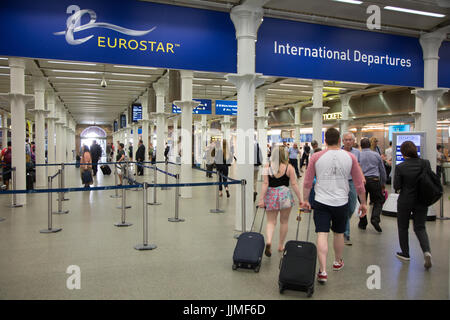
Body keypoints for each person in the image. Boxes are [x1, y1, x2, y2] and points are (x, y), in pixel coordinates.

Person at [301, 128, 367, 284]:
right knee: (338, 233)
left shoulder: (316, 157)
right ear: (339, 141)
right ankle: (337, 262)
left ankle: (323, 271)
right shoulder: (350, 157)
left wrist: (305, 200)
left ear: (325, 141)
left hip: (321, 201)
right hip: (341, 202)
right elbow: (359, 184)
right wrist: (363, 202)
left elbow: (308, 182)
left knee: (322, 234)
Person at [258, 145, 302, 257]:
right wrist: (301, 199)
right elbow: (294, 184)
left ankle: (268, 241)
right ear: (284, 155)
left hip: (271, 195)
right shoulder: (289, 167)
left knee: (270, 222)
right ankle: (281, 245)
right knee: (284, 221)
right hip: (285, 196)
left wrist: (261, 199)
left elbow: (265, 183)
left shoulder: (266, 166)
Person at [394, 141, 433, 269]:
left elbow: (397, 186)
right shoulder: (425, 163)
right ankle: (426, 251)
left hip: (405, 200)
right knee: (420, 227)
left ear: (403, 153)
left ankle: (405, 253)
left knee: (403, 227)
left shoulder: (401, 167)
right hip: (422, 200)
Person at [358, 138, 386, 233]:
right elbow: (382, 169)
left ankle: (363, 222)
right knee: (378, 201)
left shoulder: (358, 155)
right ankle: (375, 218)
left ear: (360, 146)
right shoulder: (376, 155)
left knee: (362, 202)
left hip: (362, 182)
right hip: (374, 180)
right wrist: (383, 183)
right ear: (370, 145)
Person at [341, 132, 362, 246]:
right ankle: (346, 233)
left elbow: (358, 167)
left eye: (350, 140)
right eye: (346, 140)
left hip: (352, 182)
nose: (348, 141)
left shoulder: (357, 153)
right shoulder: (339, 152)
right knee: (343, 207)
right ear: (342, 141)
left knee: (352, 207)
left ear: (353, 141)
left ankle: (343, 221)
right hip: (341, 182)